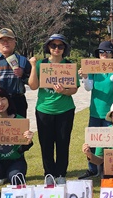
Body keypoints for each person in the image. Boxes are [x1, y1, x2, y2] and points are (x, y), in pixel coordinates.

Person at [28, 34, 79, 185]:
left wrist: (64, 91)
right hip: (44, 110)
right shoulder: (41, 65)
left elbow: (74, 89)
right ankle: (49, 174)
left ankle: (61, 174)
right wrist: (32, 66)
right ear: (48, 48)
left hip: (65, 110)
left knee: (63, 143)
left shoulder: (69, 66)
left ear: (65, 49)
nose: (57, 49)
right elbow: (33, 86)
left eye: (60, 46)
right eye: (53, 46)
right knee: (46, 144)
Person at [78, 40, 113, 179]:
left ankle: (109, 169)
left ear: (112, 54)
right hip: (95, 111)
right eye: (102, 52)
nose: (105, 55)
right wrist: (85, 77)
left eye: (108, 52)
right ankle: (92, 169)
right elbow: (88, 88)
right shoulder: (93, 69)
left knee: (111, 143)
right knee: (93, 141)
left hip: (112, 115)